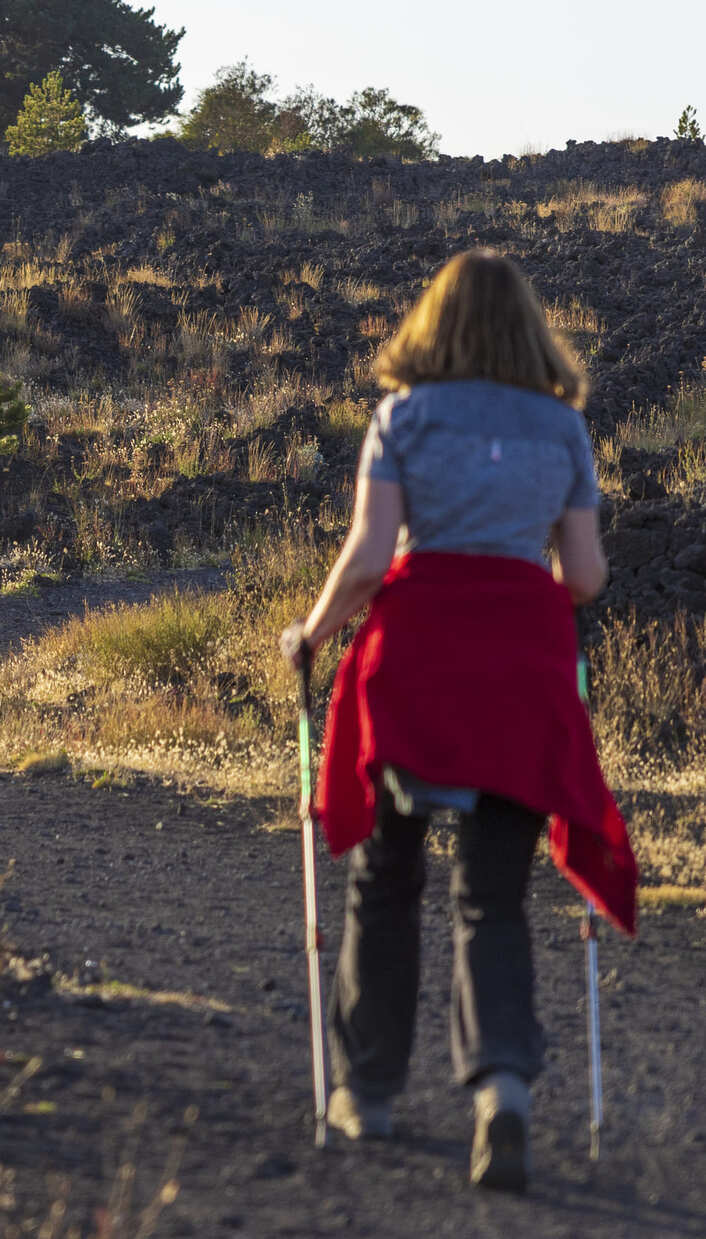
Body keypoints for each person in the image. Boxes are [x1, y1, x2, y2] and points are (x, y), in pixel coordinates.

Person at [278, 249, 637, 1191]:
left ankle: (370, 1091)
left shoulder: (404, 416)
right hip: (522, 666)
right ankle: (504, 1095)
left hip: (418, 663)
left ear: (432, 323)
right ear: (529, 326)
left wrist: (309, 636)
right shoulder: (563, 427)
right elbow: (589, 577)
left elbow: (367, 557)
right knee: (494, 896)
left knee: (388, 877)